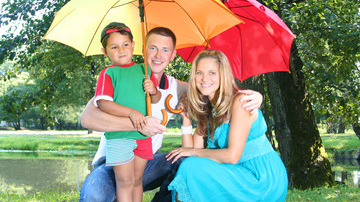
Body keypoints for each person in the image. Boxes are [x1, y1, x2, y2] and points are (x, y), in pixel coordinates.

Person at [80, 28, 264, 202]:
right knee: (94, 195)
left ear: (173, 55)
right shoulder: (122, 77)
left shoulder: (175, 86)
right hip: (111, 163)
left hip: (146, 163)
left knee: (183, 160)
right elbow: (88, 118)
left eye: (165, 50)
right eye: (153, 48)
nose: (158, 56)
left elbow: (211, 86)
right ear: (143, 50)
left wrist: (254, 96)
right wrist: (139, 124)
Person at [167, 50, 288, 202]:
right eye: (199, 72)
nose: (205, 78)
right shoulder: (210, 110)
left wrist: (193, 153)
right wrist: (186, 120)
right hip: (236, 173)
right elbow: (188, 152)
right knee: (190, 167)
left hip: (261, 178)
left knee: (191, 167)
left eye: (212, 72)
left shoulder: (241, 101)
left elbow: (232, 156)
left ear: (222, 75)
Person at [94, 22, 160, 202]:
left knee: (137, 180)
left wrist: (153, 90)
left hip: (143, 135)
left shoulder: (144, 70)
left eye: (125, 44)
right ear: (105, 52)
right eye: (114, 47)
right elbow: (103, 104)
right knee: (125, 181)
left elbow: (155, 99)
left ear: (133, 45)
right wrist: (131, 112)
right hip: (120, 136)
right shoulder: (108, 73)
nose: (121, 50)